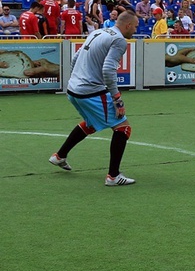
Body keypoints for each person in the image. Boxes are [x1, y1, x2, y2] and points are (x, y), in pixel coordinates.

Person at [48, 11, 139, 186]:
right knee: (123, 128)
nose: (135, 30)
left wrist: (76, 79)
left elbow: (76, 58)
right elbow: (108, 70)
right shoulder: (119, 40)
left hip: (73, 89)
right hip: (90, 91)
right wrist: (117, 99)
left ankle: (59, 156)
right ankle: (113, 176)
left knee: (90, 123)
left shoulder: (98, 32)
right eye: (135, 26)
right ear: (127, 25)